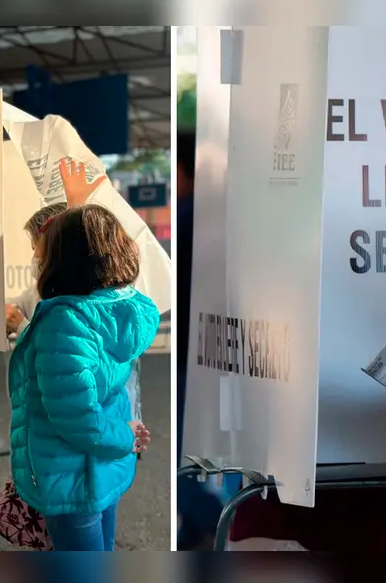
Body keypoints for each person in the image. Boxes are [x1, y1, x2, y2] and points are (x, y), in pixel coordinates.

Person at [8, 202, 160, 551]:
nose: (37, 258)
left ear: (66, 259)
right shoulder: (122, 309)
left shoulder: (64, 322)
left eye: (44, 250)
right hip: (104, 466)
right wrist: (124, 435)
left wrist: (124, 436)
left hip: (71, 477)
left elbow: (79, 421)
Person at [175, 129, 226, 550]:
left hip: (190, 357)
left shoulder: (188, 215)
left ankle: (213, 524)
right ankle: (197, 533)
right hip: (213, 353)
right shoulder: (216, 214)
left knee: (184, 462)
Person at [5, 202, 68, 337]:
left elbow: (57, 343)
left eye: (36, 247)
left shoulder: (75, 299)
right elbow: (16, 305)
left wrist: (21, 327)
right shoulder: (38, 291)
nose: (35, 257)